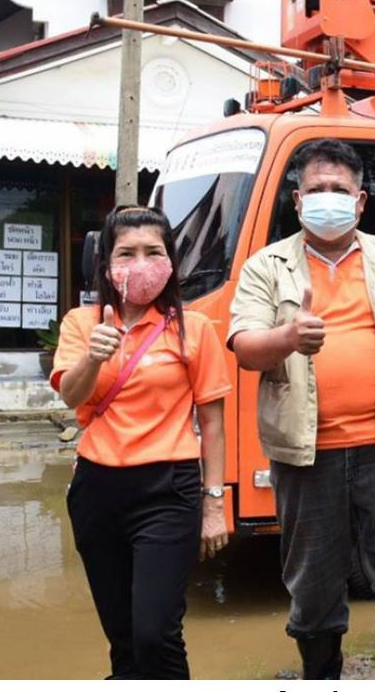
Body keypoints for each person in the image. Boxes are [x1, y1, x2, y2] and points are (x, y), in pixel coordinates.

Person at [227, 140, 375, 680]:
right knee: (312, 590)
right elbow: (242, 347)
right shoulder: (268, 267)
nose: (327, 199)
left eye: (340, 191)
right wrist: (286, 336)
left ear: (360, 202)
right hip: (308, 458)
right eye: (316, 190)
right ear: (297, 199)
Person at [52, 205, 232, 679]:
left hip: (167, 492)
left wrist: (215, 504)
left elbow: (212, 423)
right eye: (126, 252)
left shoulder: (193, 329)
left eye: (153, 251)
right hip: (96, 491)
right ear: (107, 263)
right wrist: (94, 356)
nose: (140, 262)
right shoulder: (80, 322)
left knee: (156, 634)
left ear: (171, 261)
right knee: (123, 636)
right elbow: (70, 395)